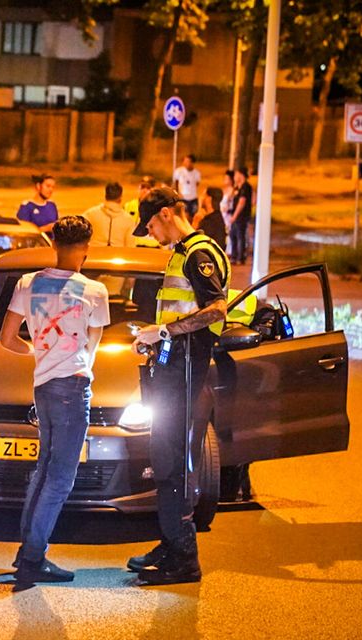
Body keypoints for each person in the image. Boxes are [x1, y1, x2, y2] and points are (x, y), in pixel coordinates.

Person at [0, 215, 111, 584]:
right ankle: (33, 557)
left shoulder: (28, 283)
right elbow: (93, 342)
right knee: (60, 478)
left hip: (43, 385)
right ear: (86, 249)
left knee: (44, 470)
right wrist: (74, 359)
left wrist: (38, 351)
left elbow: (7, 339)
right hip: (73, 386)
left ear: (54, 245)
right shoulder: (94, 290)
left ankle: (27, 550)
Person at [127, 186, 230, 586]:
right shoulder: (183, 252)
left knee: (171, 462)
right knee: (164, 457)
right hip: (175, 367)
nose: (150, 232)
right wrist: (155, 337)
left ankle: (184, 558)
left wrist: (164, 331)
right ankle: (171, 543)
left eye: (151, 224)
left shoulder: (198, 254)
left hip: (187, 369)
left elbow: (217, 307)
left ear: (168, 214)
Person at [83, 181, 133, 248]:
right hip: (119, 256)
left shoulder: (90, 214)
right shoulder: (128, 219)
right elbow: (130, 246)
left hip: (94, 255)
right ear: (120, 198)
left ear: (105, 195)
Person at [228, 167, 254, 264]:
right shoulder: (239, 187)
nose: (234, 177)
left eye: (236, 175)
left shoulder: (245, 187)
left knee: (240, 236)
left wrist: (234, 216)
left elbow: (242, 202)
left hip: (241, 216)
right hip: (236, 215)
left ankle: (240, 258)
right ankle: (234, 257)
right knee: (233, 235)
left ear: (241, 175)